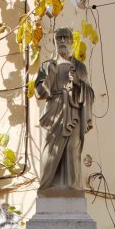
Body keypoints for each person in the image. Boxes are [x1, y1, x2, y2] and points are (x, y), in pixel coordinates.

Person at [35, 27, 94, 192]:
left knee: (71, 149)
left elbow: (89, 93)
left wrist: (77, 82)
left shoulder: (80, 67)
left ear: (71, 42)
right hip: (54, 112)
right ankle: (47, 186)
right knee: (50, 150)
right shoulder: (47, 66)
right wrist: (51, 77)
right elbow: (39, 93)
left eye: (65, 38)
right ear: (55, 42)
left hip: (73, 111)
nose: (62, 41)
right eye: (58, 38)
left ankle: (72, 188)